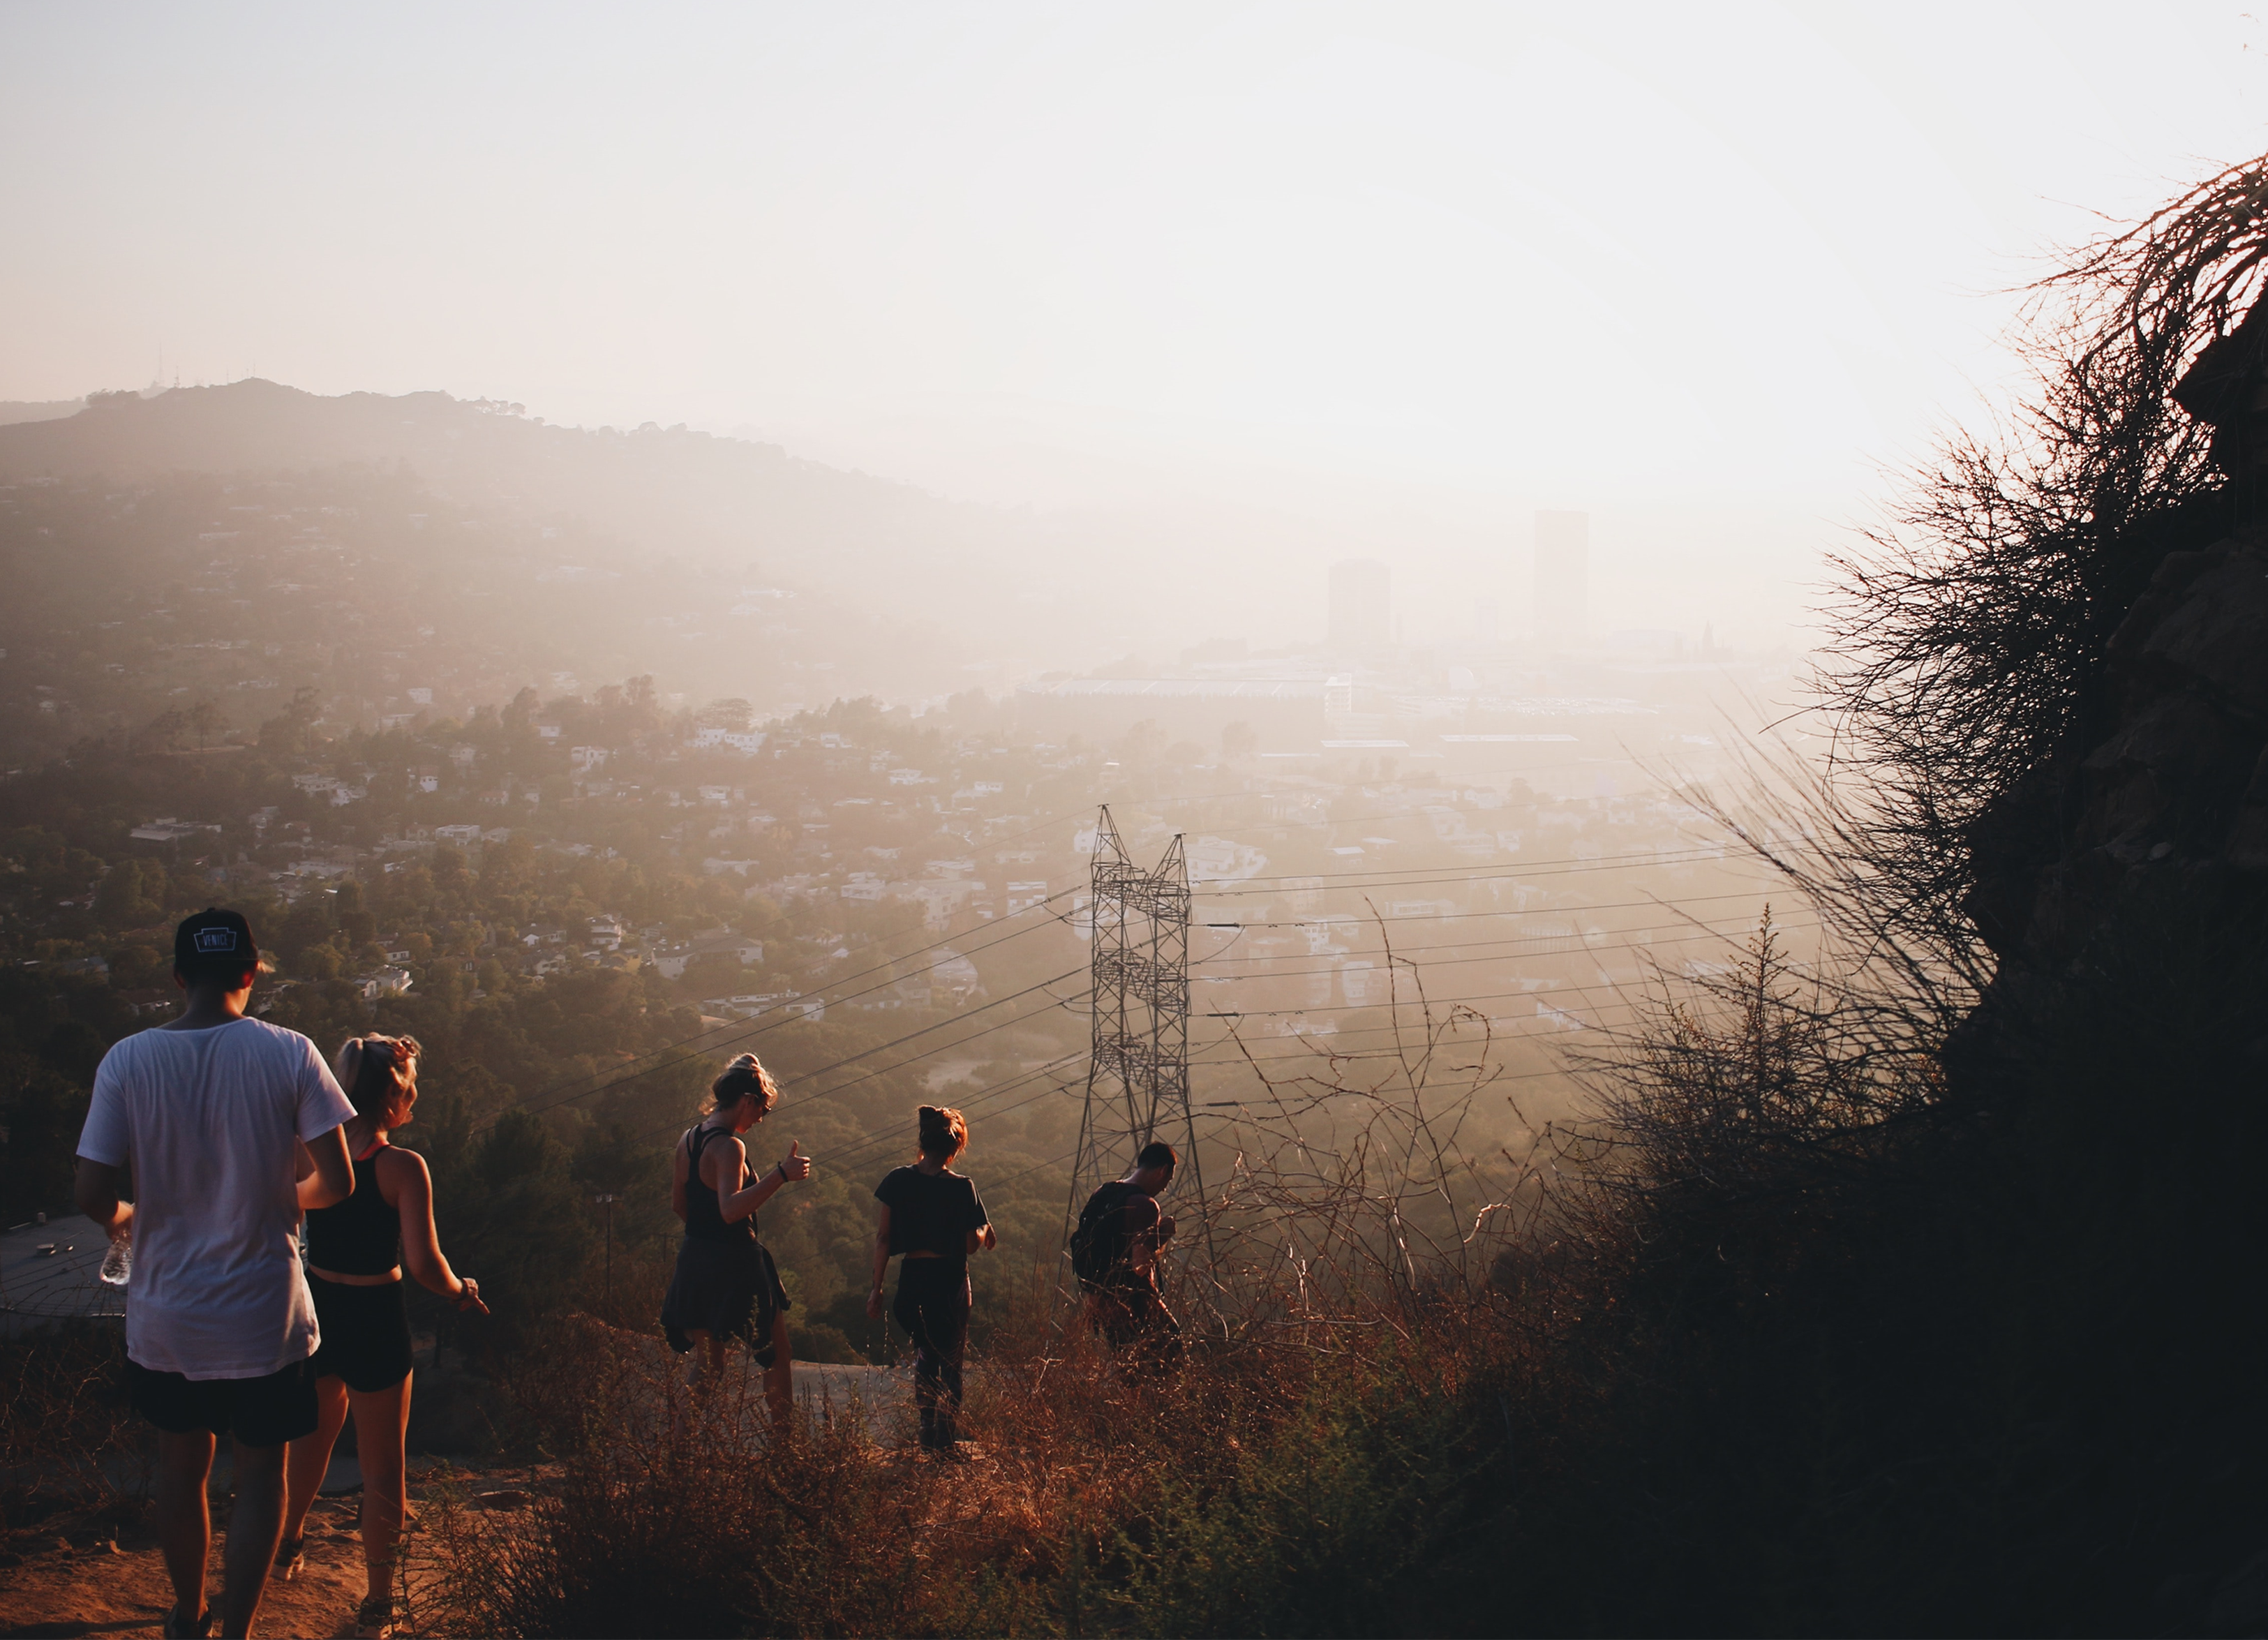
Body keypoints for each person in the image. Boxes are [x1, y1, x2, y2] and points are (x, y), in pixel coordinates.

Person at [73, 909, 357, 1640]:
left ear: (177, 978)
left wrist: (127, 1215)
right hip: (265, 1310)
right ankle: (239, 1631)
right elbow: (340, 1179)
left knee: (181, 1466)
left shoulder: (127, 1059)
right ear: (251, 973)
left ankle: (188, 1612)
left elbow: (91, 1192)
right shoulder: (290, 1051)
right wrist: (282, 1196)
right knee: (260, 1475)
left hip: (169, 1315)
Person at [274, 1034, 488, 1640]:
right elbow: (425, 1265)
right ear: (394, 1097)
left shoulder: (306, 1151)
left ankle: (287, 1543)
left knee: (309, 1444)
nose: (416, 1095)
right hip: (375, 1314)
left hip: (316, 1309)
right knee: (382, 1470)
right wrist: (461, 1289)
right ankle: (375, 1602)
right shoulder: (402, 1168)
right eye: (411, 1085)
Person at [661, 1052, 812, 1429]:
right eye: (762, 1109)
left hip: (695, 1257)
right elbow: (730, 1210)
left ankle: (674, 1457)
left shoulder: (689, 1139)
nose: (761, 1119)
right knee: (777, 1356)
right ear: (747, 1101)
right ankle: (786, 1452)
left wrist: (706, 1238)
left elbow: (680, 1204)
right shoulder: (729, 1146)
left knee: (708, 1367)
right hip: (737, 1262)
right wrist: (781, 1174)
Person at [866, 1105, 994, 1452]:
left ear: (922, 1141)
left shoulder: (897, 1180)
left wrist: (876, 1289)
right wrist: (983, 1228)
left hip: (912, 1280)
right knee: (951, 1361)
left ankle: (926, 1428)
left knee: (926, 1355)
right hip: (949, 1278)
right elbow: (970, 1246)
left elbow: (883, 1239)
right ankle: (945, 1439)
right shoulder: (962, 1188)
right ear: (955, 1148)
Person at [1071, 1141, 1184, 1373]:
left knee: (1129, 1369)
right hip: (1135, 1304)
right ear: (1162, 1171)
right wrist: (1162, 1235)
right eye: (1167, 1180)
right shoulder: (1145, 1206)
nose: (1164, 1188)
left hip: (1103, 1301)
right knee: (1170, 1360)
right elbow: (1141, 1265)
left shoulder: (1102, 1193)